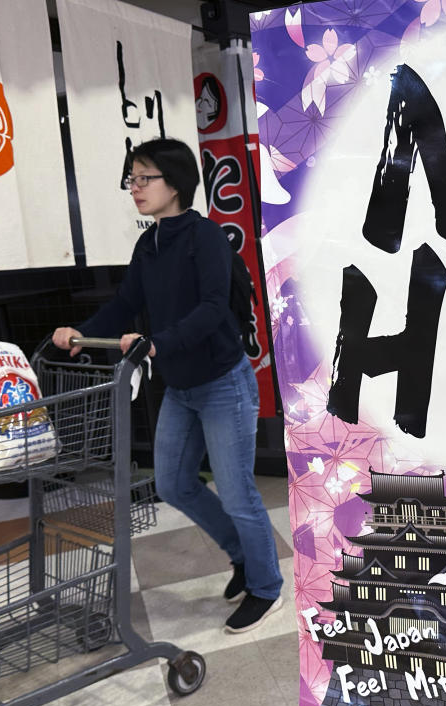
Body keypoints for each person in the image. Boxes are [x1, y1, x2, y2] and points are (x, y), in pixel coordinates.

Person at [52, 138, 283, 633]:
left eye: (143, 178)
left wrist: (157, 344)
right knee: (173, 484)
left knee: (238, 492)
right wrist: (82, 332)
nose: (134, 188)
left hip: (223, 383)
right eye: (131, 179)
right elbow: (125, 303)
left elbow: (212, 309)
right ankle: (243, 556)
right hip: (180, 386)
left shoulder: (206, 239)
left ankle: (266, 588)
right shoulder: (149, 243)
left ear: (174, 184)